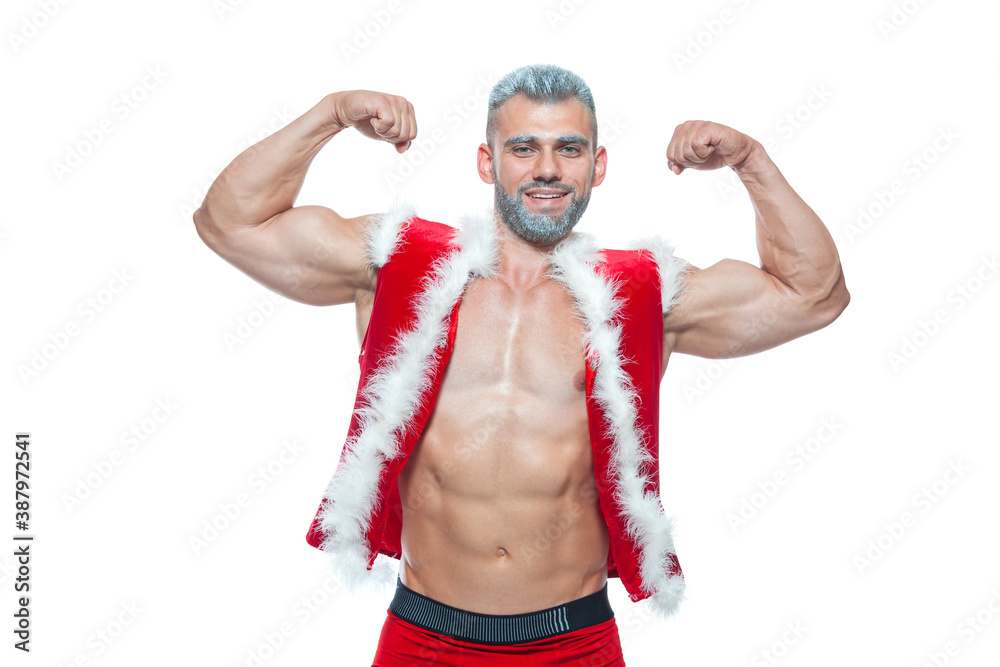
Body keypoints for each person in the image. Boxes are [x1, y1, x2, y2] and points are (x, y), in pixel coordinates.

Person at [193, 64, 849, 666]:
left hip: (575, 643)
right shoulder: (398, 262)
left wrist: (751, 162)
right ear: (487, 161)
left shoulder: (641, 293)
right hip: (424, 640)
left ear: (598, 165)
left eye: (570, 148)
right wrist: (331, 112)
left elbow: (814, 294)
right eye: (524, 148)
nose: (548, 168)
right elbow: (229, 222)